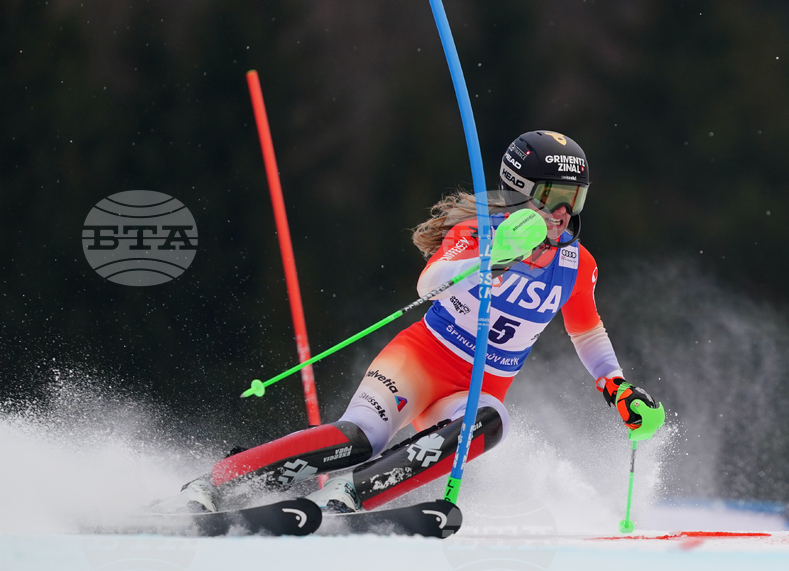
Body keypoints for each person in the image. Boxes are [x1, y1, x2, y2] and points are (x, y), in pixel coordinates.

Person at [158, 130, 662, 514]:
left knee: (491, 422)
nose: (564, 213)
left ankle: (348, 495)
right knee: (361, 439)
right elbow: (430, 284)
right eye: (553, 197)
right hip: (420, 361)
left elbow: (586, 330)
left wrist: (616, 387)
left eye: (575, 199)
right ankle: (215, 483)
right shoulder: (479, 231)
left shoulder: (576, 263)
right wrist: (492, 258)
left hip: (475, 388)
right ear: (520, 190)